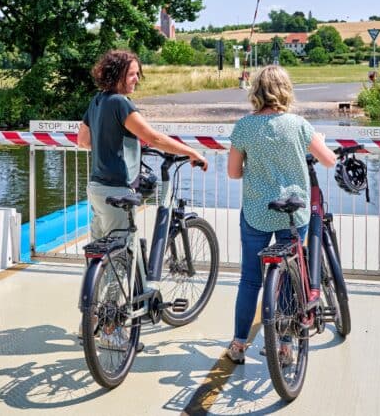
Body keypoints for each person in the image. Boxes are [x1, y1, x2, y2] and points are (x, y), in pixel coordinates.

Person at [224, 65, 336, 364]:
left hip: (256, 212)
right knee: (289, 277)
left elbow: (234, 173)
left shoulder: (244, 127)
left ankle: (238, 343)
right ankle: (285, 345)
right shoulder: (298, 125)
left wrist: (257, 169)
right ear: (285, 90)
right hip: (293, 214)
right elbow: (328, 160)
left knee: (250, 279)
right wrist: (320, 141)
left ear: (256, 91)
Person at [77, 50, 208, 242]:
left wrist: (111, 145)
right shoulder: (120, 103)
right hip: (117, 187)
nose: (136, 79)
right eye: (131, 74)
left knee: (99, 252)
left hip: (96, 187)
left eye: (137, 74)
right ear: (116, 74)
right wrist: (191, 152)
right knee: (122, 253)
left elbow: (83, 141)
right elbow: (154, 138)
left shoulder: (98, 100)